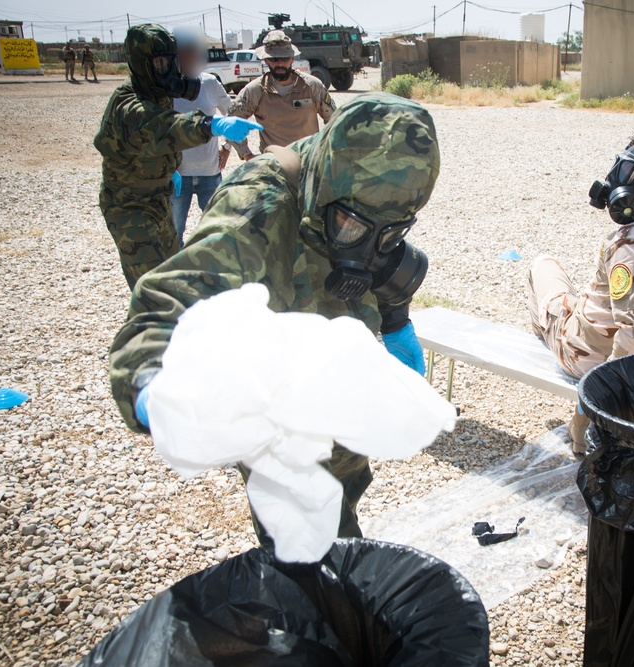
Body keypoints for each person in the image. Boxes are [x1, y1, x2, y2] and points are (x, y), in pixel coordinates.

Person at [110, 92, 438, 546]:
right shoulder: (258, 204)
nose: (362, 249)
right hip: (276, 393)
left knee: (344, 481)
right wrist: (153, 383)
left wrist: (396, 319)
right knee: (301, 531)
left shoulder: (366, 194)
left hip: (337, 374)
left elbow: (378, 256)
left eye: (390, 232)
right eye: (351, 227)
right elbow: (175, 296)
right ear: (324, 183)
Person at [528, 127, 634, 452]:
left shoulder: (631, 244)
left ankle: (547, 332)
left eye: (633, 172)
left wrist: (587, 410)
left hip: (587, 357)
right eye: (622, 165)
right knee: (575, 293)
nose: (620, 178)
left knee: (542, 265)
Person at [94, 23, 262, 290]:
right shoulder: (129, 104)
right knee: (152, 290)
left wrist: (168, 169)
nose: (171, 72)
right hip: (130, 207)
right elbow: (165, 127)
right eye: (161, 64)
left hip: (159, 197)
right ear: (141, 65)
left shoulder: (158, 95)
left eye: (173, 63)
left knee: (174, 276)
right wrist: (210, 126)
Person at [226, 30, 336, 161]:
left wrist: (329, 150)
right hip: (274, 167)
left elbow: (334, 119)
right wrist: (247, 155)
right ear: (266, 60)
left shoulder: (312, 86)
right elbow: (231, 122)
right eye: (274, 59)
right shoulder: (255, 91)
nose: (280, 64)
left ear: (292, 59)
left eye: (284, 58)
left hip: (309, 164)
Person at [169, 27, 232, 247]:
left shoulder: (209, 83)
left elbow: (232, 113)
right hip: (178, 176)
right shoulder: (165, 86)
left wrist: (227, 146)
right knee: (174, 233)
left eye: (192, 52)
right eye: (183, 52)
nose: (189, 57)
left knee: (218, 231)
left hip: (210, 174)